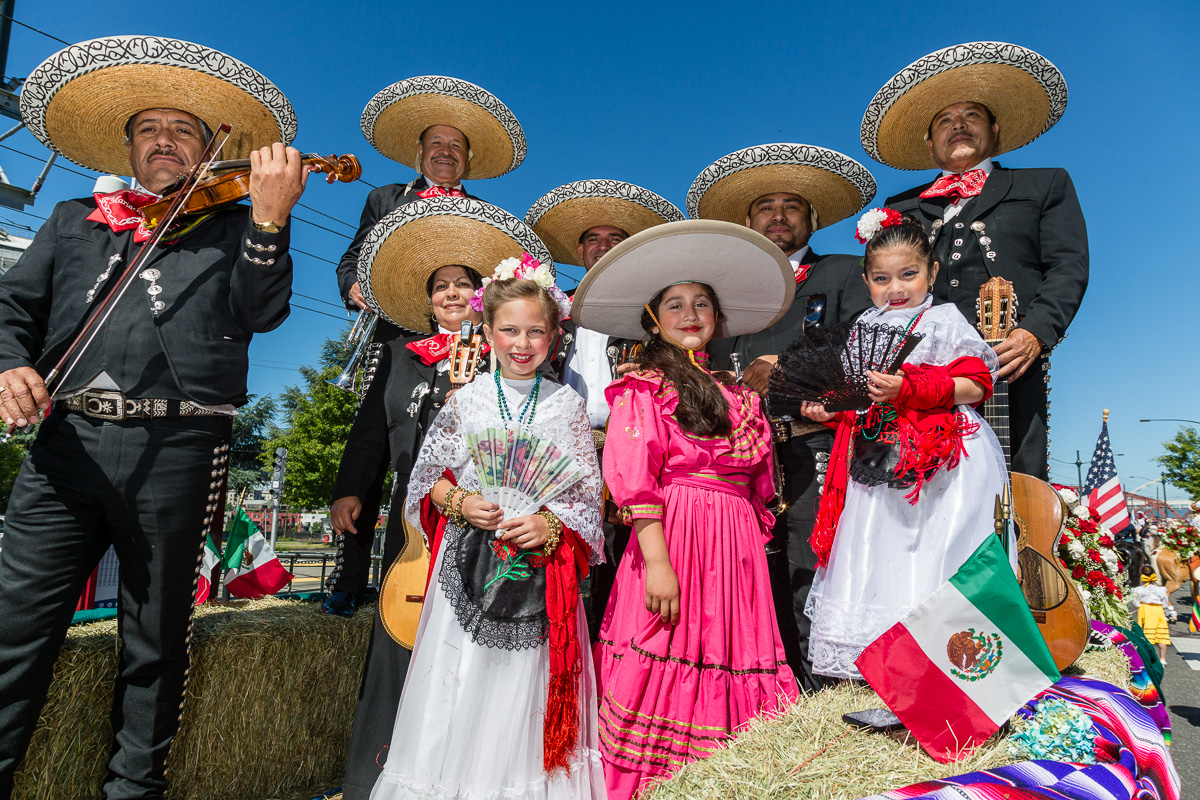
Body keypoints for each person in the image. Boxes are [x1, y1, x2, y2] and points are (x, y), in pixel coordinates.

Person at [0, 35, 310, 798]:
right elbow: (12, 309)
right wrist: (11, 363)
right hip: (65, 446)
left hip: (180, 446)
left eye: (182, 131)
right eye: (148, 130)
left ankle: (132, 792)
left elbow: (262, 313)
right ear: (130, 147)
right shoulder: (76, 219)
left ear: (210, 149)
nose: (163, 141)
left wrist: (269, 220)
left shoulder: (238, 225)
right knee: (11, 632)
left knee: (154, 642)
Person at [570, 219, 801, 799]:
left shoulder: (743, 394)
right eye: (675, 304)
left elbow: (759, 485)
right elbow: (633, 481)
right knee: (662, 648)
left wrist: (745, 548)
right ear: (654, 319)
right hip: (673, 538)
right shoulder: (642, 388)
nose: (690, 313)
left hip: (736, 549)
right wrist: (660, 562)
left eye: (702, 303)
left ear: (719, 319)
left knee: (731, 652)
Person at [331, 199, 550, 798]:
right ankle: (378, 774)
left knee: (470, 650)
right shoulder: (400, 355)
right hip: (412, 520)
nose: (451, 294)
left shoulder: (506, 353)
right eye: (440, 287)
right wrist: (352, 489)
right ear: (428, 302)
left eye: (463, 285)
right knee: (398, 641)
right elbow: (372, 429)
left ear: (481, 297)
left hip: (485, 520)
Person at [370, 255, 605, 799]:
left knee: (517, 687)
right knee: (457, 680)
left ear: (554, 335)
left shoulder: (567, 405)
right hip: (466, 567)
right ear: (487, 331)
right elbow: (429, 479)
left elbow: (585, 497)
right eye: (509, 330)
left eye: (535, 332)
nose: (522, 343)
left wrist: (549, 525)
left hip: (537, 575)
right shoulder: (465, 401)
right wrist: (462, 501)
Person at [324, 75, 526, 616]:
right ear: (418, 153)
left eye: (455, 147)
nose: (444, 153)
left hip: (462, 341)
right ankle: (350, 577)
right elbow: (351, 259)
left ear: (467, 160)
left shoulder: (483, 217)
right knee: (376, 440)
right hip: (396, 337)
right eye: (435, 144)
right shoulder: (384, 198)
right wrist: (353, 286)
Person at [687, 144, 876, 689]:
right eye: (765, 206)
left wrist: (788, 367)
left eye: (791, 205)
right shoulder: (721, 294)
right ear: (746, 222)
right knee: (749, 575)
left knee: (813, 568)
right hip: (739, 464)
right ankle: (767, 690)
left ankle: (825, 687)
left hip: (815, 450)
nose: (777, 215)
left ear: (812, 219)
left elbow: (875, 347)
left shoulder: (844, 273)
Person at [862, 41, 1088, 480]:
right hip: (916, 376)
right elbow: (876, 287)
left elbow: (1068, 265)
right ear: (930, 144)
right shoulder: (901, 205)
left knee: (1015, 483)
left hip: (1010, 363)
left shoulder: (1044, 184)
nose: (958, 126)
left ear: (995, 129)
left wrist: (1035, 333)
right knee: (917, 487)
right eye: (945, 120)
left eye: (971, 116)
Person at [798, 209, 1008, 680]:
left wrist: (910, 388)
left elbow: (976, 384)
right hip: (877, 464)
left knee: (932, 548)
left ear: (932, 272)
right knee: (878, 549)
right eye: (881, 278)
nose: (895, 288)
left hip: (940, 459)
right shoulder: (863, 327)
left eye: (908, 275)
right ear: (866, 282)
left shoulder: (943, 320)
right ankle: (887, 666)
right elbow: (857, 398)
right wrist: (831, 410)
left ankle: (945, 662)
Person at [525, 178, 685, 635]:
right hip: (562, 451)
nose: (603, 246)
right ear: (580, 251)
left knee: (625, 553)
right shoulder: (553, 313)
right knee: (562, 553)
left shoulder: (649, 319)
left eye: (615, 239)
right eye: (593, 239)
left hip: (629, 451)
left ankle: (615, 654)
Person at [1132, 568, 1171, 663]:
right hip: (1158, 611)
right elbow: (1165, 603)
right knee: (1161, 634)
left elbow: (1136, 603)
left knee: (1145, 634)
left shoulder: (1138, 590)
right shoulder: (1161, 590)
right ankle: (1163, 658)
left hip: (1145, 610)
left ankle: (1147, 658)